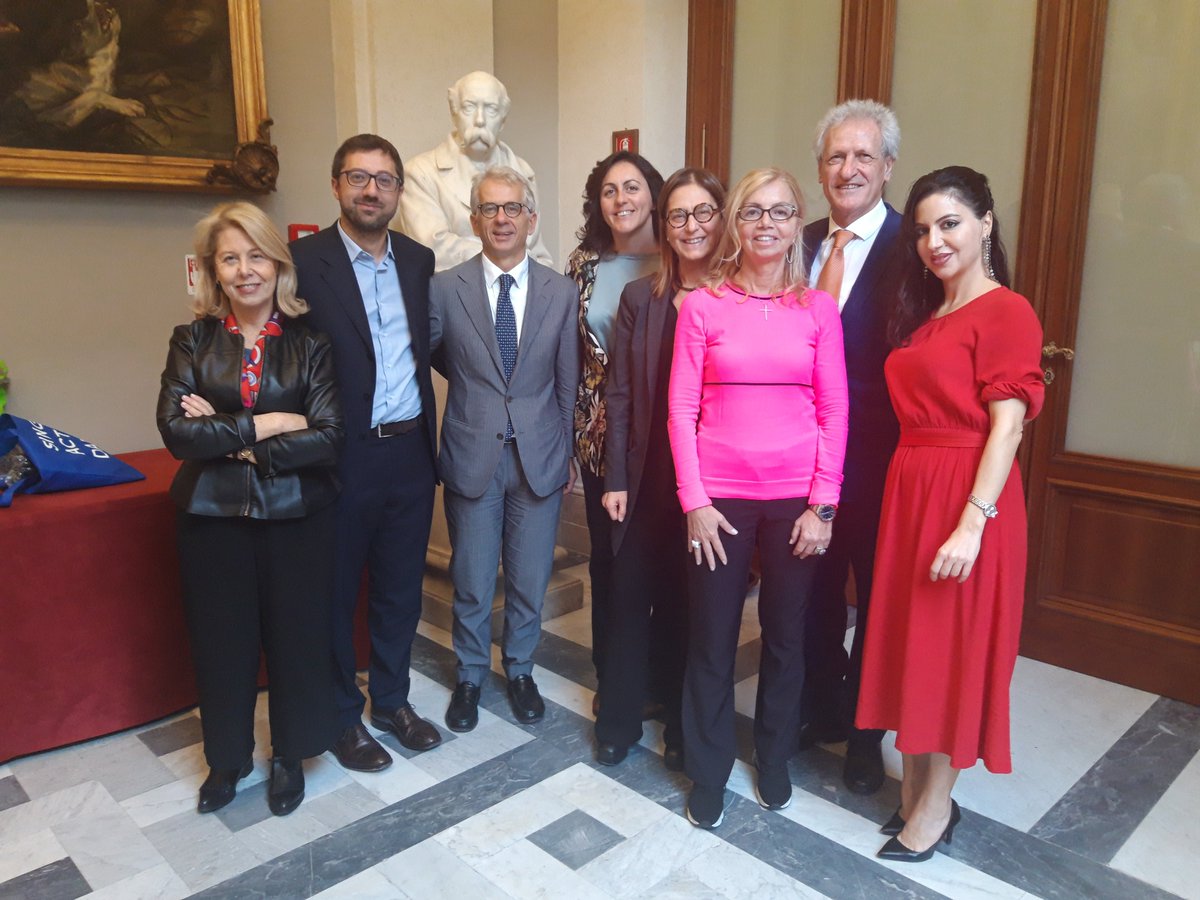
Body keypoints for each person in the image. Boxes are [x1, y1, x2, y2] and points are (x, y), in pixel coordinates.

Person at [856, 166, 1044, 862]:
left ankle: (936, 804)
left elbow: (1008, 428)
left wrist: (972, 521)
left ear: (986, 223)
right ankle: (916, 788)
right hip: (912, 490)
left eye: (951, 223)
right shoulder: (926, 313)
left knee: (954, 649)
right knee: (917, 644)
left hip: (969, 495)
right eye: (924, 230)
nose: (934, 241)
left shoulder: (1007, 311)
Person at [669, 168, 848, 828]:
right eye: (752, 212)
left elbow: (835, 409)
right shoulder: (704, 306)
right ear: (736, 225)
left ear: (795, 222)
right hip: (718, 503)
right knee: (712, 639)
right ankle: (709, 768)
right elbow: (680, 408)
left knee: (786, 636)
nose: (766, 224)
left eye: (780, 212)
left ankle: (773, 759)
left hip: (796, 503)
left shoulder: (817, 310)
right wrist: (694, 500)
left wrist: (822, 505)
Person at [157, 201, 342, 817]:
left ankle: (289, 755)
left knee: (295, 641)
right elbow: (178, 435)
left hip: (295, 516)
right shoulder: (192, 340)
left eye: (255, 255)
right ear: (213, 270)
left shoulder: (310, 344)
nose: (244, 271)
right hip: (210, 521)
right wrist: (269, 423)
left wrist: (232, 440)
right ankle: (228, 761)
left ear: (277, 264)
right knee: (222, 643)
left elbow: (329, 437)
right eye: (230, 259)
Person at [292, 134, 442, 774]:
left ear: (399, 191)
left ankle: (392, 702)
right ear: (336, 186)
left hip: (408, 454)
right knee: (334, 594)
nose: (371, 190)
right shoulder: (300, 261)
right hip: (339, 457)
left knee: (400, 591)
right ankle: (342, 718)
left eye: (383, 179)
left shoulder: (418, 259)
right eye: (358, 177)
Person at [430, 166, 579, 731]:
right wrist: (481, 397)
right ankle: (469, 676)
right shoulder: (445, 288)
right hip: (473, 455)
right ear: (474, 219)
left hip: (539, 456)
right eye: (489, 208)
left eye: (512, 208)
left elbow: (566, 379)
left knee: (528, 578)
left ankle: (519, 669)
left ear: (530, 218)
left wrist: (563, 451)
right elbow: (437, 358)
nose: (501, 218)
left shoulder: (560, 292)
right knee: (470, 578)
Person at [595, 168, 726, 770]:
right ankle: (618, 720)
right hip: (645, 477)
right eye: (678, 215)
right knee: (627, 599)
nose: (690, 226)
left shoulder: (736, 299)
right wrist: (616, 477)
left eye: (703, 213)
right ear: (663, 225)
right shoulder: (639, 299)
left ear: (721, 219)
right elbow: (618, 394)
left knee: (687, 605)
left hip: (710, 484)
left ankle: (680, 724)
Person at [798, 99, 902, 795]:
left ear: (889, 167)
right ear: (820, 167)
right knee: (809, 593)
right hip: (798, 459)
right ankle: (822, 704)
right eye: (837, 156)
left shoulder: (914, 248)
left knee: (878, 601)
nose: (849, 168)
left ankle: (865, 738)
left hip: (879, 460)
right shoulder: (798, 238)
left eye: (864, 156)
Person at [565, 151, 664, 709]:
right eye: (609, 190)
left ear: (653, 193)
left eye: (631, 187)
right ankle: (614, 676)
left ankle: (660, 672)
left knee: (665, 556)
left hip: (670, 430)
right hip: (600, 433)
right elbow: (567, 352)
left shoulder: (682, 256)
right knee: (610, 557)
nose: (621, 199)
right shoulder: (584, 264)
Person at [399, 71, 553, 271]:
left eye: (490, 109)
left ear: (503, 119)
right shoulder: (421, 173)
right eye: (469, 107)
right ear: (454, 113)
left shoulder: (524, 172)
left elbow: (538, 255)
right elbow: (433, 249)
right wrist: (508, 254)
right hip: (454, 297)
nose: (479, 120)